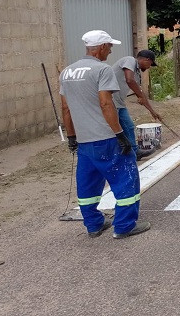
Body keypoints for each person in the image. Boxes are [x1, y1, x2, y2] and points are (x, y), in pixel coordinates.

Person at [60, 30, 150, 239]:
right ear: (100, 47)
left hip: (84, 141)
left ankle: (93, 225)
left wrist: (72, 137)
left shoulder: (67, 72)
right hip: (106, 138)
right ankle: (125, 226)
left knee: (88, 183)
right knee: (126, 178)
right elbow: (105, 103)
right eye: (109, 47)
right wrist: (120, 135)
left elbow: (65, 108)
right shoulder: (102, 70)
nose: (110, 51)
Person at [112, 50, 162, 161]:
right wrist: (139, 94)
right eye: (150, 64)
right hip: (110, 101)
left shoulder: (136, 73)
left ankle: (133, 152)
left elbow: (141, 94)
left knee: (128, 126)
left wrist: (152, 112)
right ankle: (128, 153)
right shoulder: (130, 60)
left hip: (119, 102)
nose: (149, 67)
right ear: (146, 60)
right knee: (118, 129)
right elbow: (129, 80)